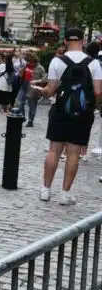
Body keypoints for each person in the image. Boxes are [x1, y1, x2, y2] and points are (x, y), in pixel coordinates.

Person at [34, 28, 102, 205]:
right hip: (82, 114)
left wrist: (41, 91)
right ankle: (65, 194)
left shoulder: (57, 61)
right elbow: (98, 91)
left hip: (60, 111)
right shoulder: (94, 64)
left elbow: (50, 91)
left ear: (65, 41)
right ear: (82, 41)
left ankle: (45, 190)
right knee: (73, 153)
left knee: (54, 150)